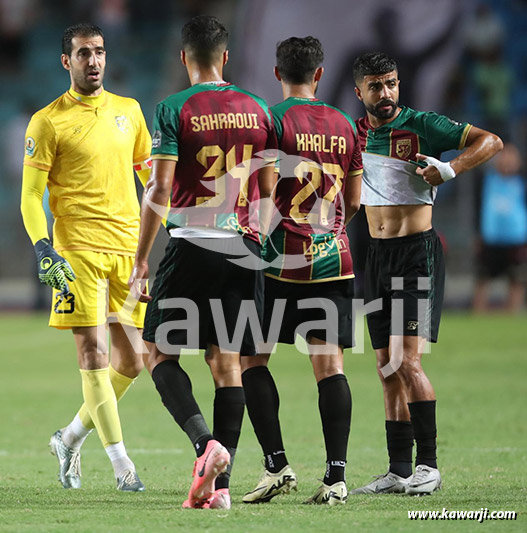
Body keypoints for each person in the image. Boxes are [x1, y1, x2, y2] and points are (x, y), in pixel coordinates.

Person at [128, 15, 277, 510]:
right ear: (226, 58)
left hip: (192, 241)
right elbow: (270, 193)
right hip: (244, 246)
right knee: (227, 362)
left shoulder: (174, 107)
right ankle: (221, 490)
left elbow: (162, 187)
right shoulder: (258, 109)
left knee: (157, 353)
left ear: (183, 57)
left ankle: (204, 446)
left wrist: (143, 258)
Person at [349, 52, 502, 495]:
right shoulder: (355, 134)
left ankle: (428, 466)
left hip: (417, 253)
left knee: (409, 361)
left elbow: (491, 141)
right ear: (359, 91)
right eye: (376, 86)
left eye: (392, 83)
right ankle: (398, 470)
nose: (386, 93)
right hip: (376, 256)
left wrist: (450, 168)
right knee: (385, 364)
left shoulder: (423, 125)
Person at [20, 23, 152, 491]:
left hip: (128, 250)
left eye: (98, 52)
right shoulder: (47, 121)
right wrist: (43, 247)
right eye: (82, 54)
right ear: (66, 62)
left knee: (134, 360)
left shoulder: (130, 112)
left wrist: (159, 239)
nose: (93, 61)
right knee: (93, 354)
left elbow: (151, 182)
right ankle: (123, 468)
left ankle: (70, 438)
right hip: (76, 250)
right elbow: (30, 196)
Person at [240, 36, 363, 506]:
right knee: (329, 366)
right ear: (319, 74)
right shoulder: (347, 125)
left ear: (277, 74)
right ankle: (336, 478)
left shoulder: (272, 120)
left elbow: (267, 193)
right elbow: (353, 202)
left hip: (279, 262)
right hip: (334, 261)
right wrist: (329, 230)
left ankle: (276, 466)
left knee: (251, 360)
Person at [473, 142, 527, 313]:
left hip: (516, 238)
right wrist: (477, 234)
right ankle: (478, 317)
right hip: (490, 238)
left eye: (512, 157)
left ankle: (512, 316)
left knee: (516, 280)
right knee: (483, 279)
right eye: (504, 157)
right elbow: (477, 209)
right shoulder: (485, 180)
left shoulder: (522, 181)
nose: (508, 161)